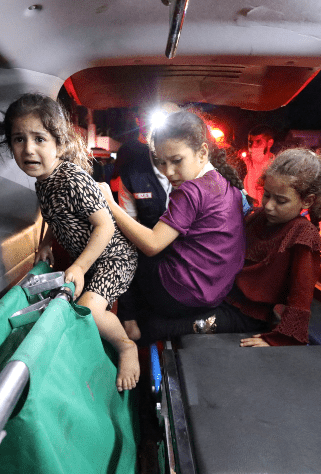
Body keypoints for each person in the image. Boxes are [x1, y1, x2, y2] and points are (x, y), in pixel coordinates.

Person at [3, 93, 140, 391]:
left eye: (39, 139)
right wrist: (46, 244)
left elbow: (104, 226)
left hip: (115, 257)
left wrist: (78, 266)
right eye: (18, 139)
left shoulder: (72, 179)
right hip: (92, 256)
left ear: (60, 145)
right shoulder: (44, 181)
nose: (28, 149)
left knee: (88, 307)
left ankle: (127, 346)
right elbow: (54, 216)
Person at [98, 110, 246, 343]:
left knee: (125, 249)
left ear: (202, 152)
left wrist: (109, 204)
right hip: (216, 293)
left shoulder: (191, 190)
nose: (168, 172)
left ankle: (130, 323)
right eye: (161, 163)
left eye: (176, 161)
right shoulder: (227, 185)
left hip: (178, 296)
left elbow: (152, 245)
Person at [193, 148, 321, 346]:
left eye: (281, 200)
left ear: (307, 200)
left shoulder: (303, 235)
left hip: (249, 317)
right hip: (221, 299)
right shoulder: (258, 217)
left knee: (174, 325)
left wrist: (280, 339)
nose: (268, 205)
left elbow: (300, 296)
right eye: (267, 195)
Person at [242, 124, 278, 206]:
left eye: (258, 141)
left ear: (270, 143)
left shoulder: (278, 170)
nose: (253, 146)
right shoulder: (247, 168)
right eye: (250, 142)